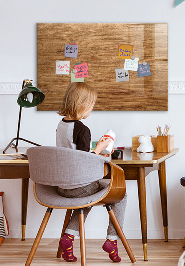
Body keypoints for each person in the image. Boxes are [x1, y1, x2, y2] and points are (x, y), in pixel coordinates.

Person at [56, 82, 126, 263]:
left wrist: (96, 150)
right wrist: (101, 148)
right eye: (91, 106)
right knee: (121, 194)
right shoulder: (82, 129)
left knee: (86, 197)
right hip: (79, 186)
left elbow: (73, 154)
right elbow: (84, 161)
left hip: (62, 186)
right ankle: (112, 240)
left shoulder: (61, 125)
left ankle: (68, 238)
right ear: (82, 105)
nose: (91, 110)